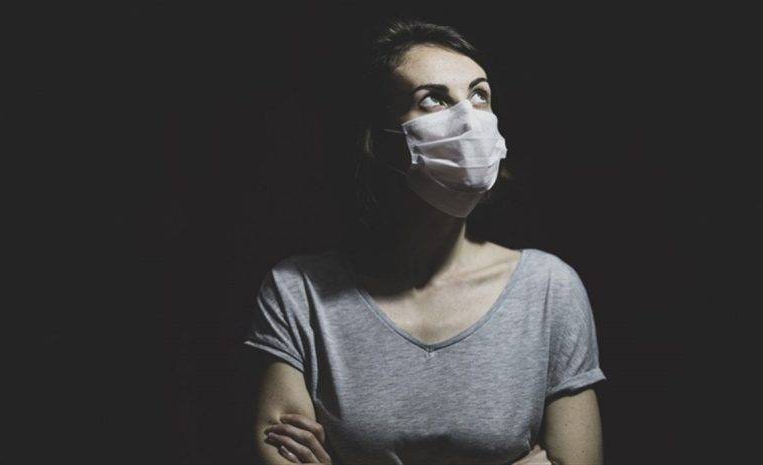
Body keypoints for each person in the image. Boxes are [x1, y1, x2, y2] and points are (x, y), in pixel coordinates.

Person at [244, 18, 606, 465]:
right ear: (378, 138)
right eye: (433, 98)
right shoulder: (298, 293)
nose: (468, 119)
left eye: (479, 95)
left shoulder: (549, 288)